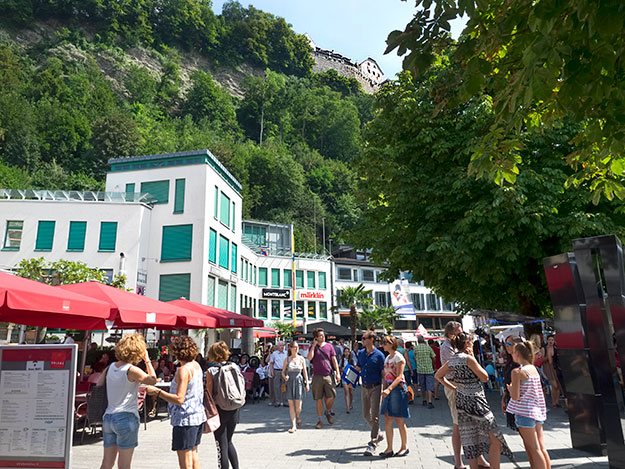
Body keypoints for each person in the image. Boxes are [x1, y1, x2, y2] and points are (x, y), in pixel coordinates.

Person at [436, 332, 512, 469]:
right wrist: (473, 358)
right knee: (495, 436)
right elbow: (484, 377)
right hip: (476, 400)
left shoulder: (452, 360)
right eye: (471, 342)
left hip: (461, 400)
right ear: (466, 344)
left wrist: (454, 387)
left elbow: (438, 376)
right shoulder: (469, 359)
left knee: (469, 438)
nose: (472, 344)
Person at [98, 333, 157, 469]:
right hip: (126, 416)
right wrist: (147, 360)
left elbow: (99, 384)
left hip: (109, 416)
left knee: (106, 463)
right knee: (124, 465)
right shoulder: (132, 370)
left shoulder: (110, 367)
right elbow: (152, 380)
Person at [145, 336, 206, 469]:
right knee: (194, 453)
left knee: (185, 460)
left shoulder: (184, 370)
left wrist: (157, 392)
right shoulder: (196, 366)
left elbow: (179, 399)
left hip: (185, 418)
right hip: (198, 416)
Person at [440, 321, 491, 469]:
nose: (461, 335)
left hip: (464, 387)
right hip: (457, 386)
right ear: (450, 334)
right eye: (459, 332)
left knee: (470, 425)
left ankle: (478, 458)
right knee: (458, 425)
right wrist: (453, 387)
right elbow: (453, 369)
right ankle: (459, 462)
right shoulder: (448, 348)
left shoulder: (455, 347)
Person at [506, 339, 550, 469]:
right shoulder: (533, 369)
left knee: (533, 448)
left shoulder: (517, 372)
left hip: (524, 412)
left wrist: (511, 388)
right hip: (537, 411)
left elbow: (515, 396)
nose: (512, 355)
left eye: (513, 352)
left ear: (518, 353)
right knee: (540, 447)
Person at [206, 341, 240, 469]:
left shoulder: (211, 371)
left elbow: (209, 394)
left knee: (221, 445)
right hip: (234, 407)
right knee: (229, 441)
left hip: (218, 410)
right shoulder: (234, 366)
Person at [355, 330, 386, 456]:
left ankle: (372, 443)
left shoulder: (379, 355)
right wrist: (347, 377)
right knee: (365, 414)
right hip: (364, 386)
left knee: (375, 415)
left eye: (364, 338)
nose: (362, 340)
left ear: (371, 339)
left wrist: (385, 389)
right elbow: (358, 368)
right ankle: (378, 434)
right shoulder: (361, 353)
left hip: (376, 387)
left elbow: (383, 374)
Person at [379, 335, 410, 458]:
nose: (383, 345)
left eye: (385, 343)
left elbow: (400, 376)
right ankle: (389, 447)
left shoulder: (398, 357)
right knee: (387, 418)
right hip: (389, 389)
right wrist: (384, 389)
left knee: (399, 419)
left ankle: (404, 447)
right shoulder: (388, 357)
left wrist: (389, 389)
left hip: (397, 389)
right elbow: (385, 375)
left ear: (391, 344)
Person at [307, 328, 341, 429]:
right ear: (316, 338)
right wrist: (313, 346)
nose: (323, 337)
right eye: (320, 335)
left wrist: (338, 373)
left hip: (328, 375)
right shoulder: (313, 347)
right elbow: (309, 358)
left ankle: (327, 411)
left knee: (331, 396)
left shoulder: (329, 346)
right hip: (317, 376)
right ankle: (320, 419)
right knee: (318, 399)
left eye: (323, 335)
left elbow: (334, 360)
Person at [281, 342, 309, 433]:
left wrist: (307, 383)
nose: (296, 349)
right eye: (294, 347)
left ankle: (298, 416)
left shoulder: (301, 359)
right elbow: (283, 371)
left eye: (297, 347)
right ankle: (293, 425)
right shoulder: (287, 359)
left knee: (299, 406)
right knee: (291, 405)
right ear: (290, 348)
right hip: (289, 382)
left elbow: (305, 371)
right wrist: (285, 377)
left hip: (299, 381)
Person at [501, 335, 522, 431]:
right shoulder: (510, 363)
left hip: (521, 404)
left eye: (509, 344)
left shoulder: (521, 365)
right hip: (511, 401)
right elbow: (507, 383)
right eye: (506, 344)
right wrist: (503, 399)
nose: (507, 346)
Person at [415, 335, 436, 408]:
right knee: (430, 385)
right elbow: (434, 357)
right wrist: (433, 365)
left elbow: (415, 358)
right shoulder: (428, 348)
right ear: (424, 340)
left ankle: (424, 400)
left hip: (420, 370)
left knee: (422, 385)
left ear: (418, 341)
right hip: (429, 369)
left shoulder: (415, 348)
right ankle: (430, 401)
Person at [543, 335, 563, 408]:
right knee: (554, 385)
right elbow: (542, 359)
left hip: (555, 368)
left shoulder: (555, 348)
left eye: (552, 340)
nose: (551, 341)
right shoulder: (544, 348)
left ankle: (556, 402)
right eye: (549, 340)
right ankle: (554, 402)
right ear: (547, 340)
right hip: (548, 368)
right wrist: (548, 357)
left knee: (557, 386)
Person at [269, 342, 287, 407]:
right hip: (277, 371)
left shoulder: (287, 353)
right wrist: (272, 372)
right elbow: (271, 363)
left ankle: (285, 401)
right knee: (276, 386)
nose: (282, 347)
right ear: (277, 347)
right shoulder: (274, 354)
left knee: (284, 386)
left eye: (283, 345)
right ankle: (277, 401)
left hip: (285, 371)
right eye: (280, 345)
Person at [340, 347, 356, 413]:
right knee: (346, 391)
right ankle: (347, 407)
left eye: (347, 352)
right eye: (345, 351)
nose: (346, 353)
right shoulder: (342, 360)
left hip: (350, 377)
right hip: (344, 377)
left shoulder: (352, 360)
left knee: (351, 392)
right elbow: (339, 367)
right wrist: (342, 370)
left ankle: (351, 403)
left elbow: (355, 368)